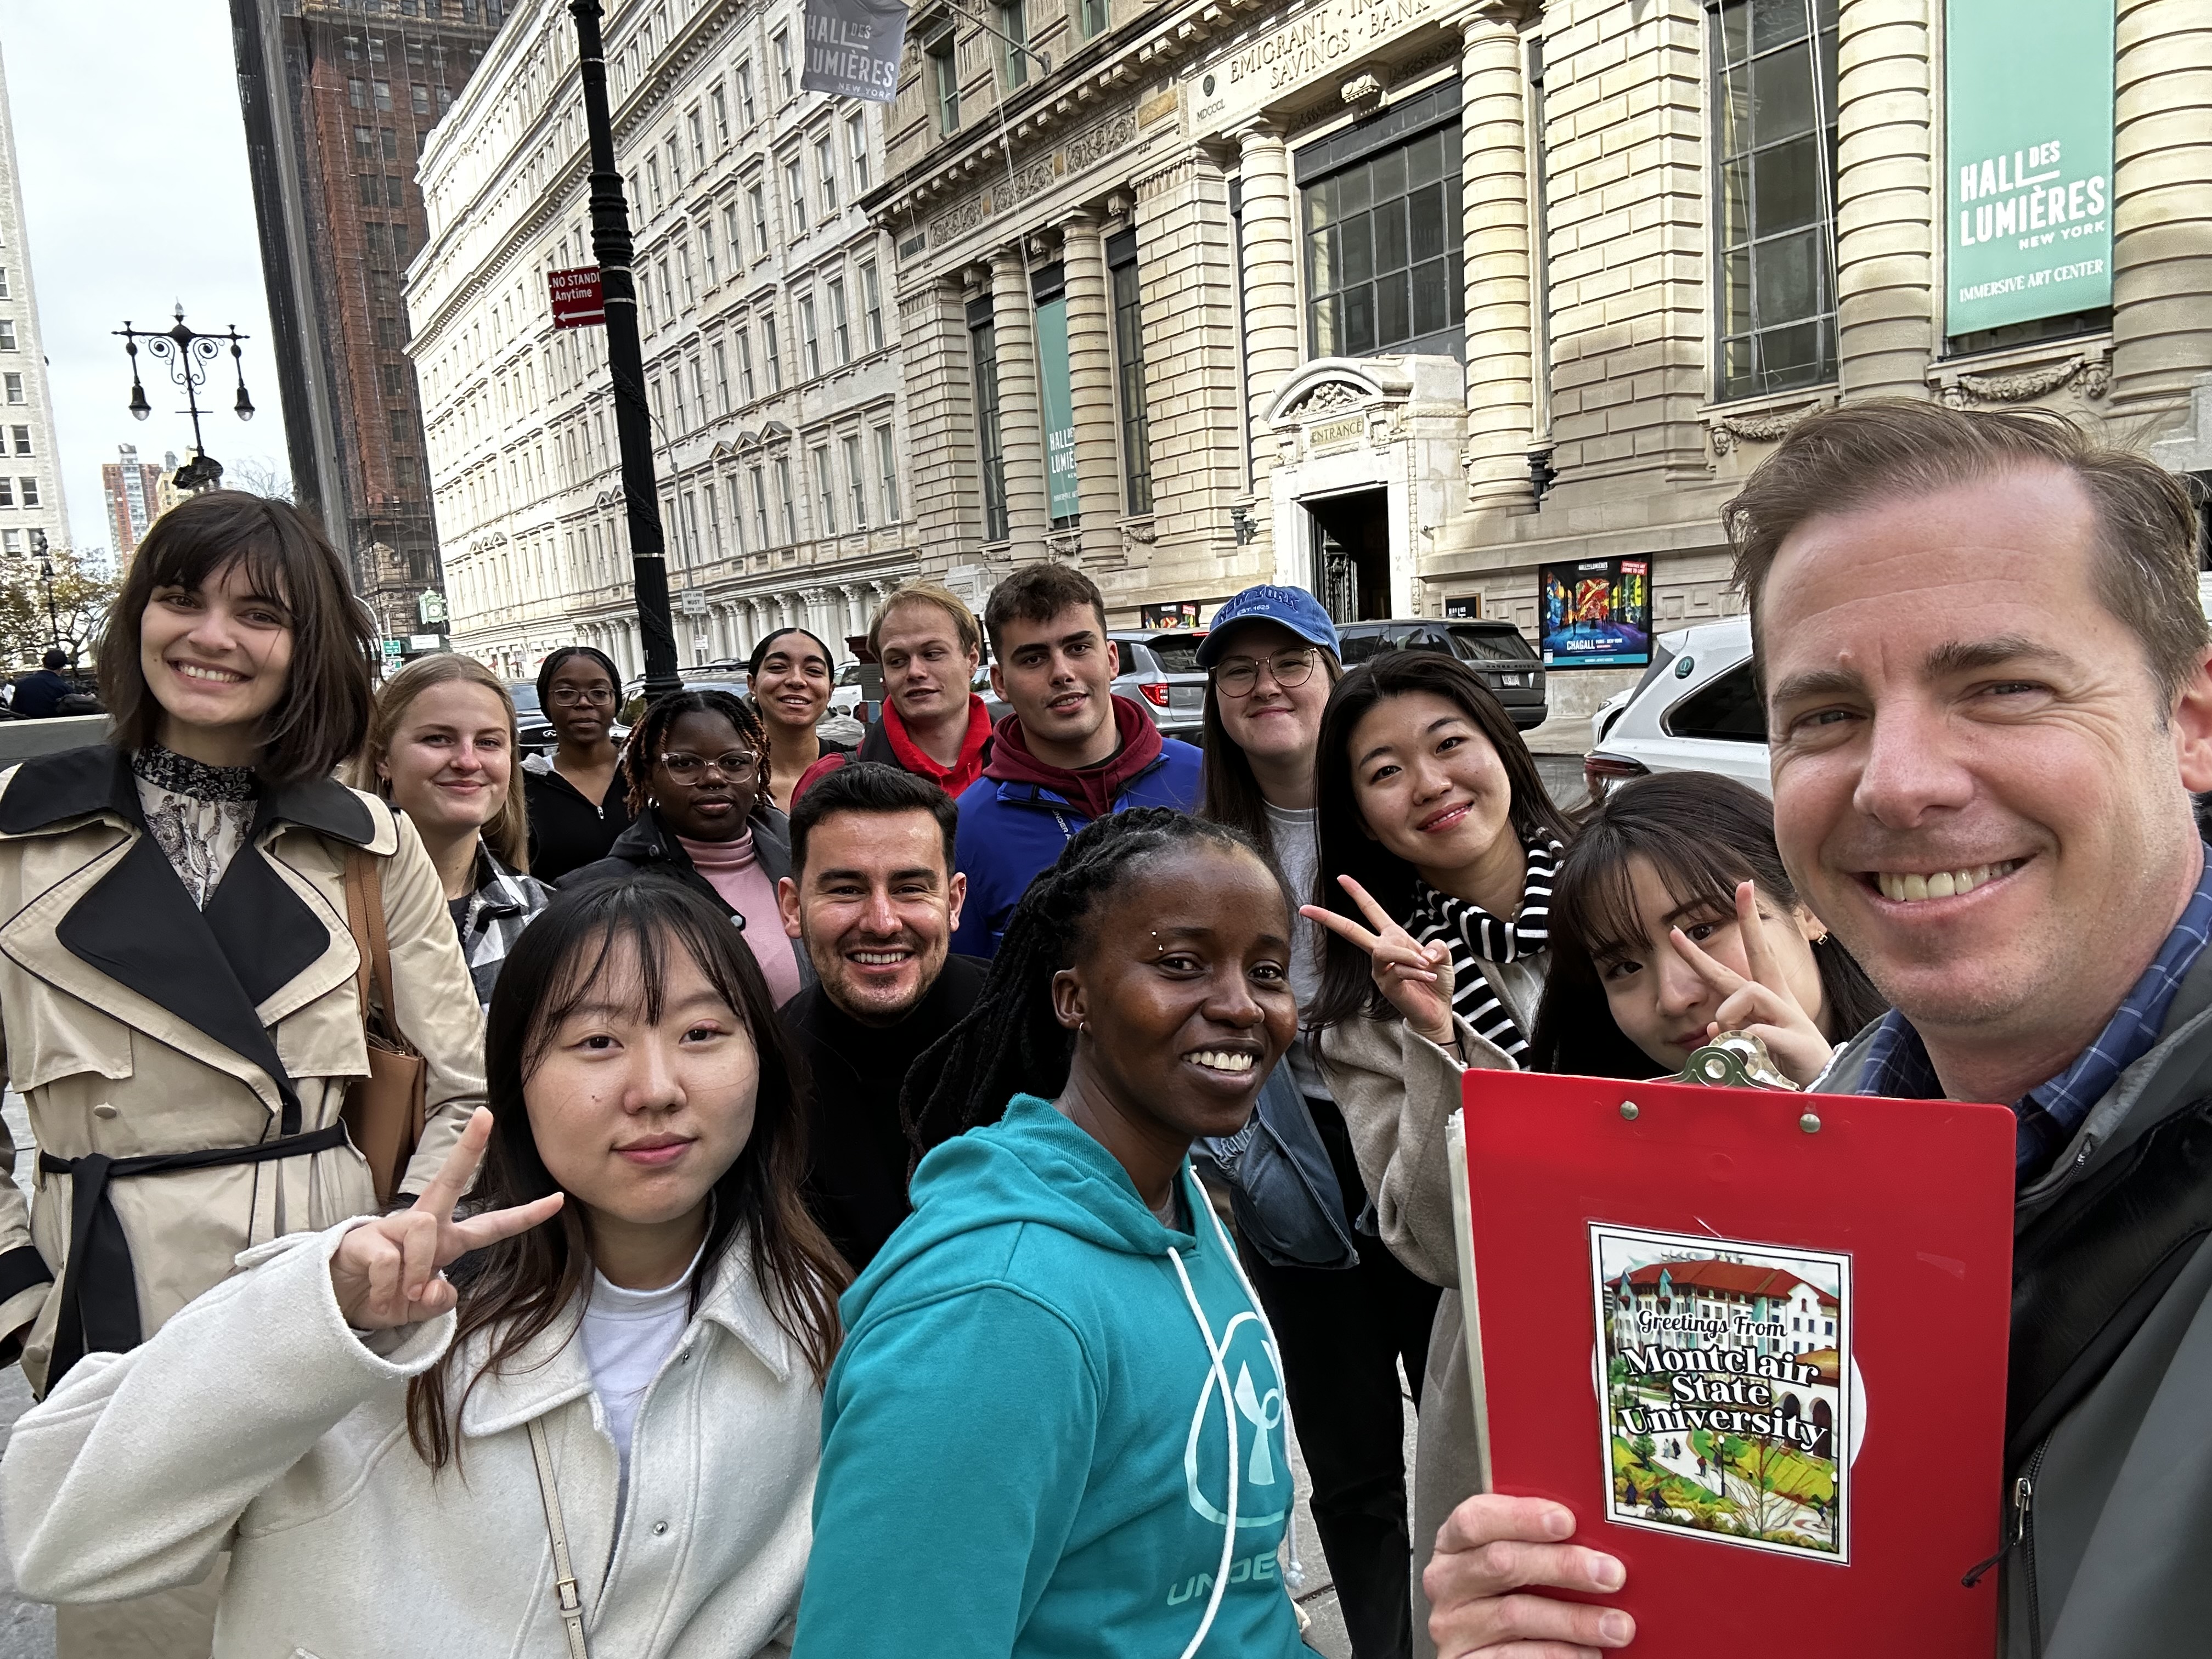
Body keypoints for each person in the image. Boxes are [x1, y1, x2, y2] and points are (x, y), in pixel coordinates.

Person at [1423, 403, 2212, 1659]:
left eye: (2002, 685)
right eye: (1826, 715)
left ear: (2191, 721)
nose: (1898, 781)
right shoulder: (1806, 1182)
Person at [2, 876, 847, 1657]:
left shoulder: (818, 1333)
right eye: (596, 1040)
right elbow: (48, 1536)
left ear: (763, 1065)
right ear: (513, 1080)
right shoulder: (368, 1320)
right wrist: (315, 1323)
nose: (656, 1087)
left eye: (703, 1034)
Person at [0, 490, 487, 1657]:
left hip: (327, 1294)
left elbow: (462, 1085)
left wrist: (404, 1244)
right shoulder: (21, 835)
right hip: (119, 1308)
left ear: (305, 646)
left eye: (258, 614)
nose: (211, 636)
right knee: (145, 1627)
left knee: (345, 1616)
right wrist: (22, 1295)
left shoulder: (367, 842)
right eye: (181, 597)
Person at [795, 808, 1307, 1659]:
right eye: (1181, 965)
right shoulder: (993, 1307)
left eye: (1268, 971)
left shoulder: (1172, 1199)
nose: (1240, 1006)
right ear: (1074, 998)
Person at [1300, 648, 1576, 1658]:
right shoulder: (1364, 1008)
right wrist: (1436, 1038)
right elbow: (1427, 1241)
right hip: (1510, 1356)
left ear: (1501, 743)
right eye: (1383, 771)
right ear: (1362, 817)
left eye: (1448, 741)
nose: (1428, 783)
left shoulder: (1630, 895)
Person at [1191, 583, 1440, 1659]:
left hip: (1419, 1138)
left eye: (1290, 661)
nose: (1266, 686)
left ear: (1332, 675)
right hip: (1288, 1153)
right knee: (1348, 1452)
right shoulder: (1202, 838)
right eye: (1239, 670)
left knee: (1472, 1410)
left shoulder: (1393, 810)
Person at [1527, 771, 1886, 1085]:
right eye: (1624, 968)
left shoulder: (1932, 1069)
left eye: (1702, 932)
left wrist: (1828, 1090)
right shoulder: (1605, 1143)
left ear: (1809, 907)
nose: (1674, 999)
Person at [774, 762, 986, 1271]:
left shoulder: (1042, 1037)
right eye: (846, 890)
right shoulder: (766, 1074)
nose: (881, 922)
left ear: (954, 902)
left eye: (911, 888)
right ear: (792, 907)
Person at [951, 563, 1203, 957]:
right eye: (1033, 659)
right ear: (1000, 683)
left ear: (1112, 659)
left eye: (1078, 648)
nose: (1062, 672)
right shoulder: (966, 829)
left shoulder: (1204, 778)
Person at [563, 688, 808, 1004]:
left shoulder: (807, 860)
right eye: (685, 764)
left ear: (757, 769)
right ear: (649, 777)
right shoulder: (595, 895)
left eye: (734, 762)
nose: (714, 778)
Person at [352, 653, 552, 1008]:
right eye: (438, 739)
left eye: (489, 742)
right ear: (383, 758)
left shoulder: (547, 919)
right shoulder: (322, 905)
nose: (467, 761)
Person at [792, 580, 995, 804]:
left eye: (932, 654)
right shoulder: (829, 783)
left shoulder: (1029, 762)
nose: (915, 672)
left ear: (972, 659)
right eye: (897, 661)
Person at [522, 644, 636, 882]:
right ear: (546, 705)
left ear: (616, 702)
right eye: (565, 693)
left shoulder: (646, 774)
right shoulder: (521, 788)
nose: (584, 703)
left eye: (599, 692)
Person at [749, 625, 853, 808]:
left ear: (830, 691)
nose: (797, 680)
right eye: (778, 667)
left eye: (813, 670)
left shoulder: (854, 769)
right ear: (753, 685)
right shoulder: (727, 775)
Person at [10, 648, 70, 719]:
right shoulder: (65, 688)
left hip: (26, 727)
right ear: (61, 668)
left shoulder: (22, 684)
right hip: (57, 728)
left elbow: (15, 711)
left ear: (44, 664)